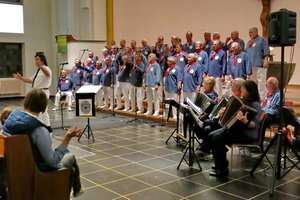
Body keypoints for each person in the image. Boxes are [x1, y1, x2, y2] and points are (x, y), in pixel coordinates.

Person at [2, 88, 84, 197]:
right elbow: (53, 162)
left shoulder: (9, 121)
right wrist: (67, 137)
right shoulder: (39, 130)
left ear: (26, 102)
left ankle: (73, 191)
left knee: (72, 170)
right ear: (43, 107)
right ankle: (74, 191)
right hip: (38, 171)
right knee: (71, 157)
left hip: (15, 171)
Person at [208, 80, 262, 176]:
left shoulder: (255, 105)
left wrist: (244, 120)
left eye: (244, 88)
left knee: (217, 138)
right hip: (238, 130)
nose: (241, 89)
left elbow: (255, 125)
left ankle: (222, 169)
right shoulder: (242, 100)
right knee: (211, 135)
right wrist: (223, 113)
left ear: (249, 91)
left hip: (248, 135)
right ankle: (221, 158)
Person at [13, 53, 52, 127]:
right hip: (37, 92)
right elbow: (30, 80)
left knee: (43, 111)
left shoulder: (46, 68)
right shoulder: (38, 71)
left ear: (42, 61)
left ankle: (47, 126)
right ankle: (39, 125)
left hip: (43, 91)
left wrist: (41, 67)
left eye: (37, 59)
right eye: (35, 59)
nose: (35, 61)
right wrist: (21, 78)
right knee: (36, 110)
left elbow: (47, 74)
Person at [246, 27, 270, 100]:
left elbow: (266, 52)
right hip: (251, 65)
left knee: (261, 81)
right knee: (251, 82)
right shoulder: (249, 42)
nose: (250, 34)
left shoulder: (262, 40)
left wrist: (265, 61)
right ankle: (252, 96)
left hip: (260, 64)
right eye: (249, 32)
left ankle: (262, 97)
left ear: (256, 32)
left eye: (251, 32)